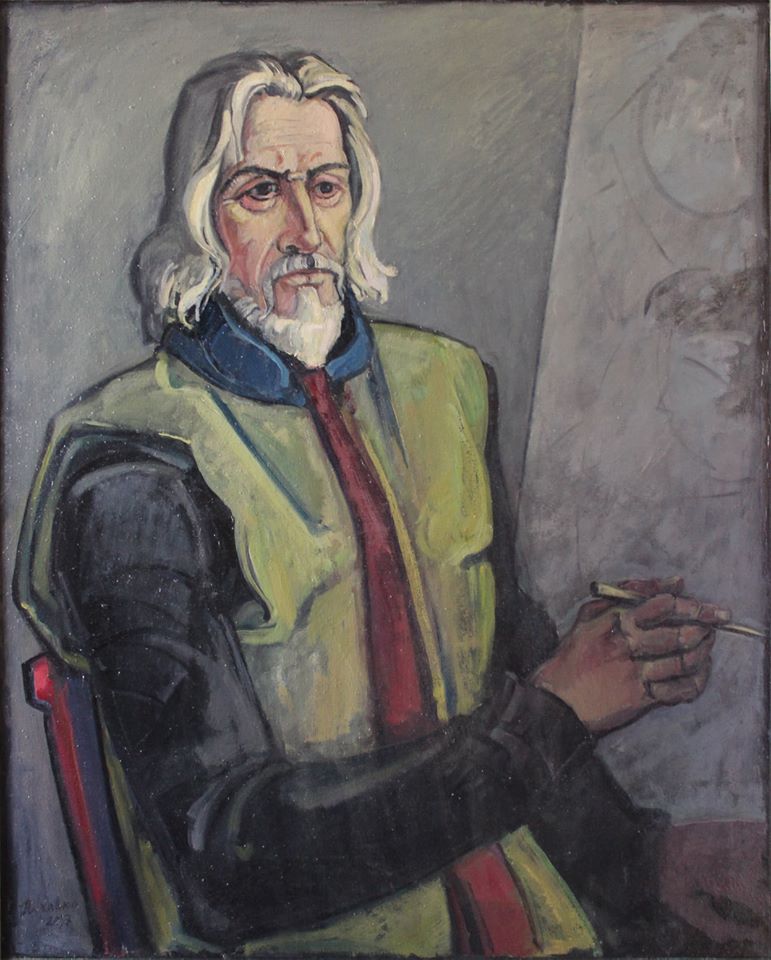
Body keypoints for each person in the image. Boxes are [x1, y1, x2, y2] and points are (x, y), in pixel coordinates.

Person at [15, 52, 728, 957]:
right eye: (259, 192)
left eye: (325, 186)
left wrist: (646, 859)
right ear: (199, 219)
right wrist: (555, 711)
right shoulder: (129, 463)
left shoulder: (448, 384)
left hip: (529, 917)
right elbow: (227, 859)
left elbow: (514, 682)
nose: (306, 230)